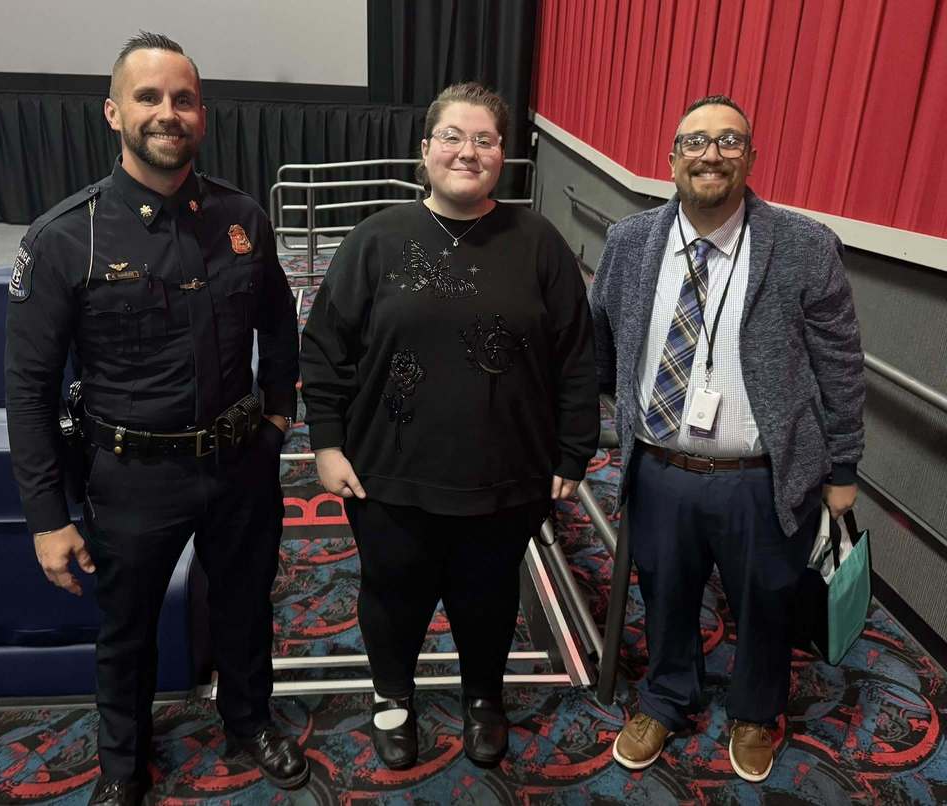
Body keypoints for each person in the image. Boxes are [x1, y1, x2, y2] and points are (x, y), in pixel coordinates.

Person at [5, 32, 307, 805]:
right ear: (114, 112)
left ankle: (249, 720)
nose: (167, 112)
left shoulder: (242, 216)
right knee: (128, 630)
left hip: (240, 461)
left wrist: (278, 418)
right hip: (132, 476)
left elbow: (279, 325)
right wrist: (47, 518)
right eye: (148, 97)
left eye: (183, 99)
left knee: (246, 606)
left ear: (201, 115)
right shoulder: (65, 238)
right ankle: (122, 766)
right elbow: (29, 389)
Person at [300, 82, 599, 769]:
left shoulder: (539, 244)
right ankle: (392, 698)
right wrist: (327, 443)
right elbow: (324, 348)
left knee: (486, 598)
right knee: (392, 594)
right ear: (425, 150)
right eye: (453, 137)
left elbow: (576, 357)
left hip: (508, 474)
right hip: (387, 473)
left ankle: (483, 698)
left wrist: (574, 450)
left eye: (484, 139)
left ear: (503, 154)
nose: (468, 152)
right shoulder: (376, 240)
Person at [589, 95, 865, 782]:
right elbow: (601, 338)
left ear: (750, 156)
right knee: (665, 593)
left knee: (767, 599)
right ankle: (665, 696)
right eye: (695, 141)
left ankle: (754, 711)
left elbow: (839, 363)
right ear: (672, 159)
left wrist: (843, 465)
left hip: (761, 475)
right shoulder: (630, 242)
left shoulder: (803, 246)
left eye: (729, 141)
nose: (711, 154)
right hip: (660, 466)